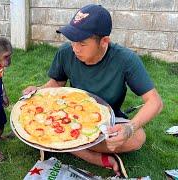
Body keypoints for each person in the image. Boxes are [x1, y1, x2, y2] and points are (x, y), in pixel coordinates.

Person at [23, 4, 163, 177]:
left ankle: (61, 145)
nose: (75, 48)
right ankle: (94, 157)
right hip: (69, 115)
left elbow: (155, 102)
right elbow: (56, 83)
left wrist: (129, 128)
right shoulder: (66, 52)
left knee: (138, 138)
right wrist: (37, 90)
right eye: (72, 40)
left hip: (106, 121)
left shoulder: (126, 60)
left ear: (104, 41)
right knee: (33, 125)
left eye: (82, 43)